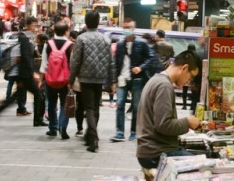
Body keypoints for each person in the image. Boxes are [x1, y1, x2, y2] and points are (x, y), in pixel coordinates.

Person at [136, 49, 201, 170]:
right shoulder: (164, 86)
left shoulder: (157, 80)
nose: (189, 82)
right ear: (184, 68)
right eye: (191, 77)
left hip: (152, 150)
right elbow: (163, 124)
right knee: (202, 168)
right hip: (157, 153)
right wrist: (187, 122)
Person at [68, 10, 115, 152]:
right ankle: (90, 135)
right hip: (100, 78)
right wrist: (112, 81)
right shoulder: (105, 39)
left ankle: (93, 139)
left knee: (88, 108)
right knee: (95, 107)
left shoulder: (81, 39)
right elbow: (111, 63)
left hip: (85, 78)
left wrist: (71, 79)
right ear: (98, 21)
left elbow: (75, 62)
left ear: (86, 22)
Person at [0, 27, 47, 128]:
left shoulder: (21, 45)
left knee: (14, 97)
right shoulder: (25, 44)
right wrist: (33, 73)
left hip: (22, 76)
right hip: (25, 76)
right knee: (38, 94)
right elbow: (26, 60)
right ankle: (37, 119)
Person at [110, 18, 152, 143]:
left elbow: (150, 58)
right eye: (125, 27)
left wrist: (141, 67)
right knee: (120, 105)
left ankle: (134, 132)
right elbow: (116, 63)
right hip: (122, 78)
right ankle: (119, 132)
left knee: (136, 106)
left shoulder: (142, 43)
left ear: (134, 29)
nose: (126, 30)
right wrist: (114, 81)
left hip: (137, 79)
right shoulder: (120, 44)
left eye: (129, 27)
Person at [40, 21, 73, 139]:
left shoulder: (48, 44)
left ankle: (53, 128)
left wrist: (40, 80)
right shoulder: (70, 44)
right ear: (66, 32)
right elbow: (73, 64)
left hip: (50, 80)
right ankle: (63, 126)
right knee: (65, 104)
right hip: (65, 80)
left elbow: (44, 64)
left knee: (52, 104)